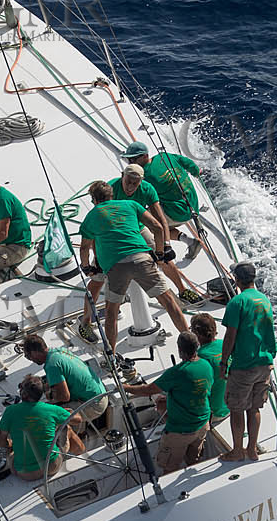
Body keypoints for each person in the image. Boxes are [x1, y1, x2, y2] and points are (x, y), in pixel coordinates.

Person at [77, 180, 189, 363]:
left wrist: (86, 267)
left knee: (112, 312)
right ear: (111, 195)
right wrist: (160, 253)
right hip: (141, 259)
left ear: (94, 199)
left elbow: (84, 248)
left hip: (116, 267)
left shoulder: (92, 216)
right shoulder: (130, 204)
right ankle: (190, 342)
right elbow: (158, 227)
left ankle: (111, 357)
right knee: (168, 301)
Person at [112, 163, 203, 303]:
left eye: (134, 184)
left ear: (141, 182)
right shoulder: (111, 189)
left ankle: (182, 291)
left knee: (163, 257)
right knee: (102, 268)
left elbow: (161, 220)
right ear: (122, 176)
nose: (130, 187)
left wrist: (166, 246)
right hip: (115, 230)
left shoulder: (147, 189)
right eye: (128, 182)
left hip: (138, 226)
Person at [125, 331, 213, 474]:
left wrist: (125, 387)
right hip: (203, 425)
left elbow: (148, 390)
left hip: (180, 432)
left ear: (180, 350)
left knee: (169, 468)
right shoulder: (206, 365)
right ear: (197, 347)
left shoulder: (176, 372)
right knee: (194, 462)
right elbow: (196, 390)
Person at [218, 261, 275, 462]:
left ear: (237, 279)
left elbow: (230, 336)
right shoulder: (264, 300)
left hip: (244, 365)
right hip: (265, 362)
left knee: (236, 409)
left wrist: (224, 362)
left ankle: (237, 451)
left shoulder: (237, 302)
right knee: (254, 408)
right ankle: (252, 449)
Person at [121, 141, 205, 262]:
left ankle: (189, 242)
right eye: (129, 160)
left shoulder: (145, 176)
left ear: (145, 156)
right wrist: (196, 171)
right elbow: (188, 163)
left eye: (133, 159)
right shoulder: (165, 156)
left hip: (179, 213)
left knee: (147, 224)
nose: (130, 163)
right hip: (193, 206)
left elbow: (137, 201)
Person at [0, 374, 83, 480]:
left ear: (23, 394)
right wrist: (68, 412)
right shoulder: (52, 409)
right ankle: (82, 454)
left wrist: (10, 444)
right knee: (66, 428)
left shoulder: (10, 411)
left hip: (26, 474)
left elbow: (0, 442)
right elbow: (78, 420)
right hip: (52, 466)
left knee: (10, 444)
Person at [20, 333, 108, 430]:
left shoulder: (51, 366)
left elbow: (65, 397)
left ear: (34, 353)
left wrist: (50, 396)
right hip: (102, 394)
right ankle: (80, 430)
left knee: (48, 416)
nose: (30, 359)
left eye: (28, 356)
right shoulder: (60, 351)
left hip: (95, 404)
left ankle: (66, 442)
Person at [192, 313, 230, 451]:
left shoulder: (200, 357)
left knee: (161, 404)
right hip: (233, 406)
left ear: (197, 334)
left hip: (217, 413)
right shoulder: (225, 344)